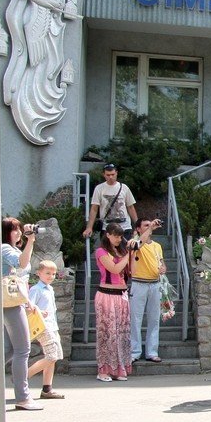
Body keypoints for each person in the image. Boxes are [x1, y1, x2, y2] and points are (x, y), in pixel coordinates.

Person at [2, 217, 42, 411]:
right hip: (10, 304)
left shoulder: (10, 248)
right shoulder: (5, 249)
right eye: (14, 230)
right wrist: (31, 240)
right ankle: (23, 397)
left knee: (9, 350)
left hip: (14, 301)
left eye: (19, 229)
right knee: (22, 350)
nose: (18, 233)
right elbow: (22, 263)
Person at [94, 223, 133, 381]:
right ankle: (103, 370)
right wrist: (128, 254)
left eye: (120, 235)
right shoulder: (101, 251)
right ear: (107, 234)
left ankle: (119, 369)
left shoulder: (122, 251)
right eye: (116, 235)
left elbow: (130, 271)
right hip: (106, 295)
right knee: (107, 333)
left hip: (122, 294)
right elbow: (114, 269)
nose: (119, 239)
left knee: (122, 333)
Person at [128, 217, 166, 363]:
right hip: (138, 284)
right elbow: (139, 244)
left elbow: (162, 263)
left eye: (150, 225)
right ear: (138, 229)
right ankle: (134, 352)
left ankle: (151, 351)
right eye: (146, 225)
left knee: (154, 319)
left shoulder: (157, 246)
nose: (150, 227)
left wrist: (163, 269)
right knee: (135, 320)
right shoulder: (134, 242)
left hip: (154, 284)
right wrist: (150, 229)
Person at [26, 260, 65, 399]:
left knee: (54, 357)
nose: (51, 276)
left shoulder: (50, 289)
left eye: (53, 274)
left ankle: (47, 389)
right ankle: (25, 375)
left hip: (52, 326)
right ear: (39, 273)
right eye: (47, 273)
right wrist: (39, 311)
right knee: (52, 355)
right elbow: (28, 306)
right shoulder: (36, 289)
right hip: (43, 327)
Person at [83, 163, 138, 239]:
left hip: (124, 227)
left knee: (125, 250)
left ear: (116, 173)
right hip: (107, 227)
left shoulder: (124, 188)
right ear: (104, 175)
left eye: (112, 174)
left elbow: (130, 207)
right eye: (108, 175)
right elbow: (94, 208)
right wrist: (89, 227)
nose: (110, 177)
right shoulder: (99, 188)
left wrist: (138, 225)